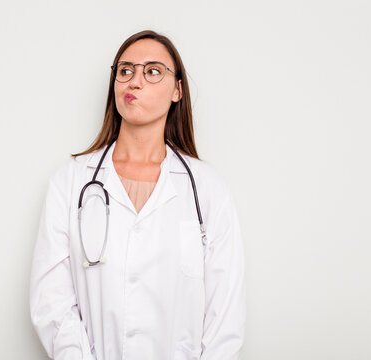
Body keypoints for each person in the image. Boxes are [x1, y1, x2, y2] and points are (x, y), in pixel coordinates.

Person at [30, 30, 246, 360]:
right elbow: (52, 301)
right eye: (125, 70)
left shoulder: (208, 189)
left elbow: (225, 317)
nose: (135, 81)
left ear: (177, 90)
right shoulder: (71, 181)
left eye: (153, 71)